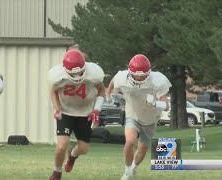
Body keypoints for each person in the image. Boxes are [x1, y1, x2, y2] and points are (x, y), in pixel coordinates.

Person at [105, 54, 171, 180]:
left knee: (142, 148)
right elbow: (113, 81)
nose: (140, 77)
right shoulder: (122, 77)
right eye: (137, 74)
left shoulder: (158, 80)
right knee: (130, 141)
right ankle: (127, 171)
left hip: (150, 118)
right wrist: (108, 94)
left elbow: (166, 106)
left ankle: (134, 166)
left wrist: (155, 102)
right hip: (132, 114)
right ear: (130, 72)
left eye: (143, 74)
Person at [48, 49, 106, 180]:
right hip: (66, 112)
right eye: (73, 73)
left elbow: (102, 89)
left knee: (84, 149)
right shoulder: (59, 76)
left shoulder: (92, 73)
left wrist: (97, 109)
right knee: (62, 145)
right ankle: (57, 172)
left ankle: (73, 155)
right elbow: (53, 92)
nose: (77, 76)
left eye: (80, 72)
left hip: (85, 113)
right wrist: (57, 108)